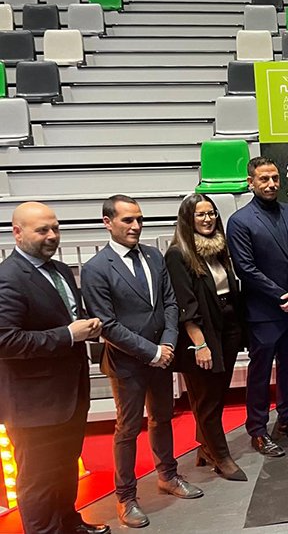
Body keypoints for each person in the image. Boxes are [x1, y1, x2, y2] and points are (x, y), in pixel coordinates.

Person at [83, 195, 203, 529]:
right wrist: (151, 352)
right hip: (127, 364)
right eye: (127, 220)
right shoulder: (96, 268)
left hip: (161, 358)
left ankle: (168, 475)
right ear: (108, 222)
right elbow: (106, 324)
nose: (136, 226)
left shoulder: (153, 256)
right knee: (128, 427)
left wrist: (166, 344)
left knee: (163, 418)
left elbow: (169, 303)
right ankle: (125, 497)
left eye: (139, 219)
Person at [0, 202, 109, 534]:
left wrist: (85, 327)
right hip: (35, 405)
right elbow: (6, 341)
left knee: (63, 469)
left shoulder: (59, 270)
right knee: (38, 481)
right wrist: (67, 335)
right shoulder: (8, 278)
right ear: (17, 232)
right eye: (42, 230)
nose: (52, 236)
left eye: (55, 228)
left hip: (68, 397)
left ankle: (69, 523)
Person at [226, 157, 288, 457]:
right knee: (260, 373)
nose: (271, 184)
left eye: (275, 178)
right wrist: (283, 296)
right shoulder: (240, 221)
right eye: (263, 179)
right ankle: (257, 429)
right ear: (251, 182)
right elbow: (246, 269)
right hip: (264, 313)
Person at [165, 194, 247, 482]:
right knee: (206, 400)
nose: (208, 218)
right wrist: (200, 344)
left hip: (228, 328)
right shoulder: (178, 254)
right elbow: (185, 304)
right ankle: (221, 456)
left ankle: (205, 447)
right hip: (202, 334)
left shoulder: (217, 248)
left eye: (211, 213)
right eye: (200, 214)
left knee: (217, 394)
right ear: (188, 219)